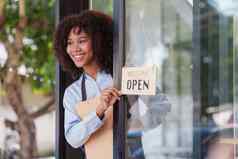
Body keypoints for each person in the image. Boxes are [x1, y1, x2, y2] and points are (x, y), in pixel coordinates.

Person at [53, 10, 121, 150]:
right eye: (69, 43)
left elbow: (160, 110)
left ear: (98, 41)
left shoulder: (122, 76)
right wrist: (98, 111)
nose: (75, 49)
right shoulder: (73, 93)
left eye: (82, 41)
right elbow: (73, 139)